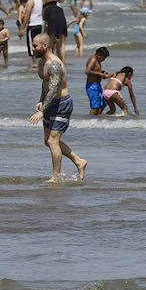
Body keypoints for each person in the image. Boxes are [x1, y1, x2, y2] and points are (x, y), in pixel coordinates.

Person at [27, 32, 87, 183]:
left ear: (45, 46)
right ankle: (79, 161)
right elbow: (45, 83)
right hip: (49, 102)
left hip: (61, 104)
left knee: (53, 141)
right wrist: (41, 100)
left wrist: (42, 111)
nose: (32, 49)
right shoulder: (41, 61)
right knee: (48, 141)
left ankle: (55, 177)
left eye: (35, 46)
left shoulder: (54, 64)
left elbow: (54, 89)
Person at [84, 46, 112, 116]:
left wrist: (102, 72)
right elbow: (87, 71)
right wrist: (99, 73)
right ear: (98, 54)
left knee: (103, 103)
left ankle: (96, 120)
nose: (104, 60)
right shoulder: (93, 59)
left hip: (97, 85)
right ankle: (90, 122)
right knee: (95, 107)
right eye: (103, 58)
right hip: (92, 86)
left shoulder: (97, 60)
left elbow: (94, 70)